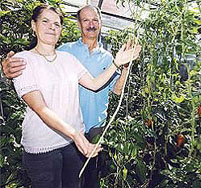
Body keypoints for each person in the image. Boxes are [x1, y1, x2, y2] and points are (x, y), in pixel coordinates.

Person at [6, 4, 141, 188]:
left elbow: (96, 85)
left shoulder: (69, 59)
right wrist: (77, 136)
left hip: (79, 137)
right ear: (33, 25)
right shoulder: (30, 59)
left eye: (57, 24)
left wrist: (118, 63)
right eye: (45, 21)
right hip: (49, 144)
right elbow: (41, 107)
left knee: (82, 181)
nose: (52, 27)